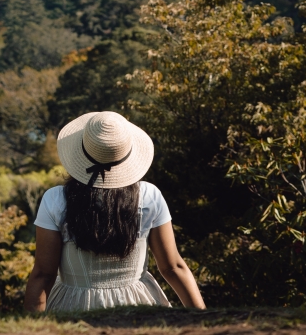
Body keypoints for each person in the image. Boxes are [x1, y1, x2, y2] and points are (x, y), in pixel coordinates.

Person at [23, 111, 205, 312]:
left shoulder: (56, 199)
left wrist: (31, 326)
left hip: (73, 305)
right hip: (137, 304)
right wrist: (204, 320)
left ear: (80, 153)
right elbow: (172, 268)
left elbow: (43, 274)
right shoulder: (149, 196)